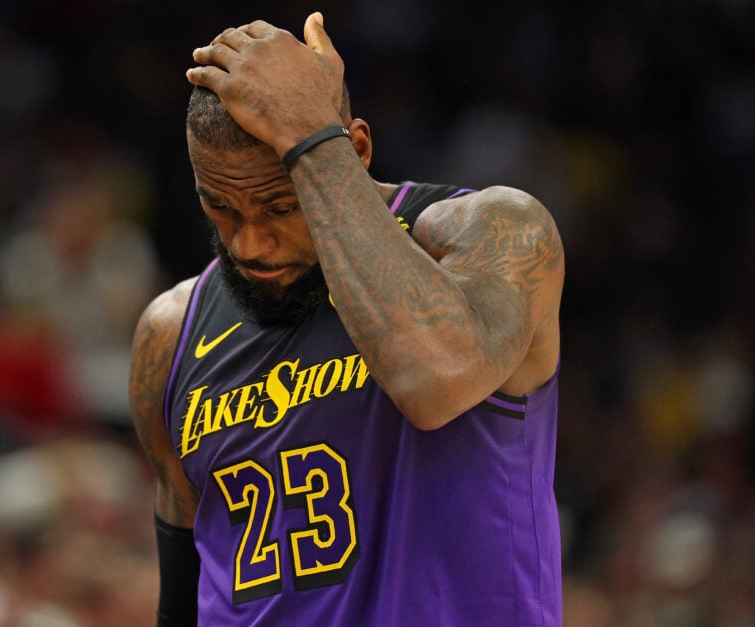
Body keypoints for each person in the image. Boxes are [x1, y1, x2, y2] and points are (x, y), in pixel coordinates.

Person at [129, 12, 565, 626]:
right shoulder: (171, 331)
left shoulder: (491, 232)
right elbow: (181, 594)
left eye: (281, 206)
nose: (250, 245)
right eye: (221, 208)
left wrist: (309, 132)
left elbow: (436, 380)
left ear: (352, 148)